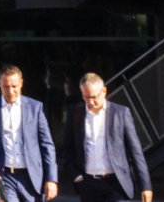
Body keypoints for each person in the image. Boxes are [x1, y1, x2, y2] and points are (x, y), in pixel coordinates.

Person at [61, 73, 149, 202]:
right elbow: (67, 148)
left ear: (104, 91)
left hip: (116, 183)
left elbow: (135, 152)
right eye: (86, 97)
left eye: (94, 97)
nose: (90, 102)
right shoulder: (75, 113)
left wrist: (145, 186)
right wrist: (76, 176)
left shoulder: (120, 113)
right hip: (88, 183)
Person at [0, 65, 58, 202]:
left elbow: (47, 145)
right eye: (6, 86)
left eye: (14, 86)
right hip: (4, 177)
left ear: (21, 83)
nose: (11, 91)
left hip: (31, 177)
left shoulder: (35, 108)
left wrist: (51, 179)